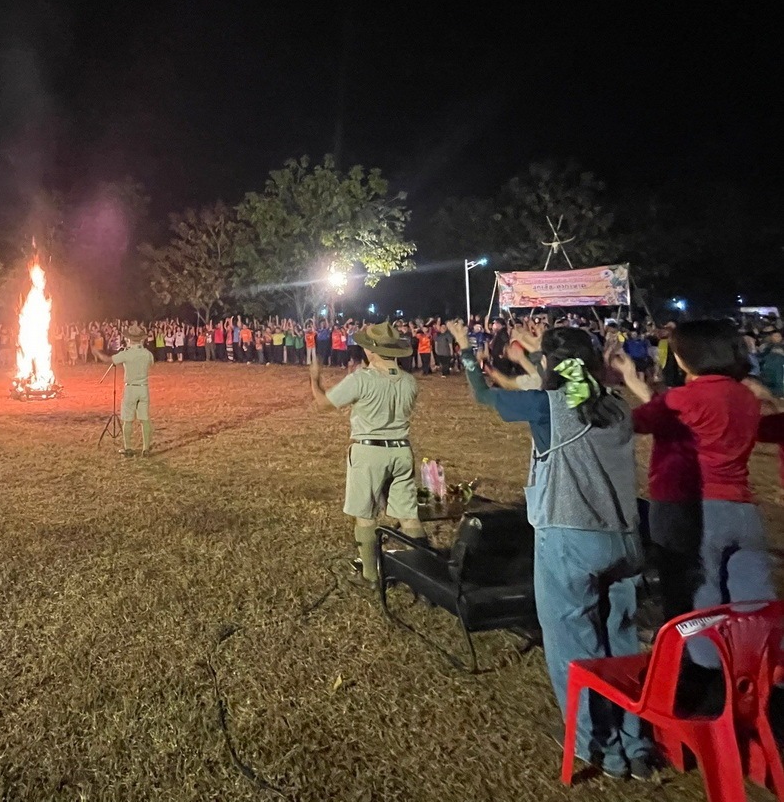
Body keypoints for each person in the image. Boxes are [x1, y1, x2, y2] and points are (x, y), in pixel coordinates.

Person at [447, 319, 651, 782]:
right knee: (621, 640)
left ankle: (600, 747)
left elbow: (482, 395)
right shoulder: (617, 405)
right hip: (625, 539)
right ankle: (636, 742)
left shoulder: (548, 406)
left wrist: (466, 349)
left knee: (572, 643)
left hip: (570, 537)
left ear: (550, 364)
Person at [610, 320, 773, 659]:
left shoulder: (683, 399)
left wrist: (622, 381)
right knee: (751, 600)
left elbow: (635, 422)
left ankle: (702, 672)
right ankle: (757, 669)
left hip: (688, 508)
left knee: (694, 599)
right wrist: (636, 383)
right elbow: (674, 414)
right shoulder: (744, 395)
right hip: (742, 509)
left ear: (687, 357)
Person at [306, 320, 426, 586]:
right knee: (408, 515)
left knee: (365, 515)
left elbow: (323, 404)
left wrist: (314, 378)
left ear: (372, 350)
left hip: (369, 451)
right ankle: (424, 576)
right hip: (402, 450)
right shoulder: (410, 382)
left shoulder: (362, 379)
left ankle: (370, 575)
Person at [98, 325, 155, 457]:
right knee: (145, 419)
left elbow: (108, 360)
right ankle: (146, 448)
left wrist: (97, 352)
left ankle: (128, 447)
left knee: (127, 420)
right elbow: (151, 363)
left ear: (129, 339)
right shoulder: (147, 354)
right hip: (143, 388)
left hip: (130, 388)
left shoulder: (126, 354)